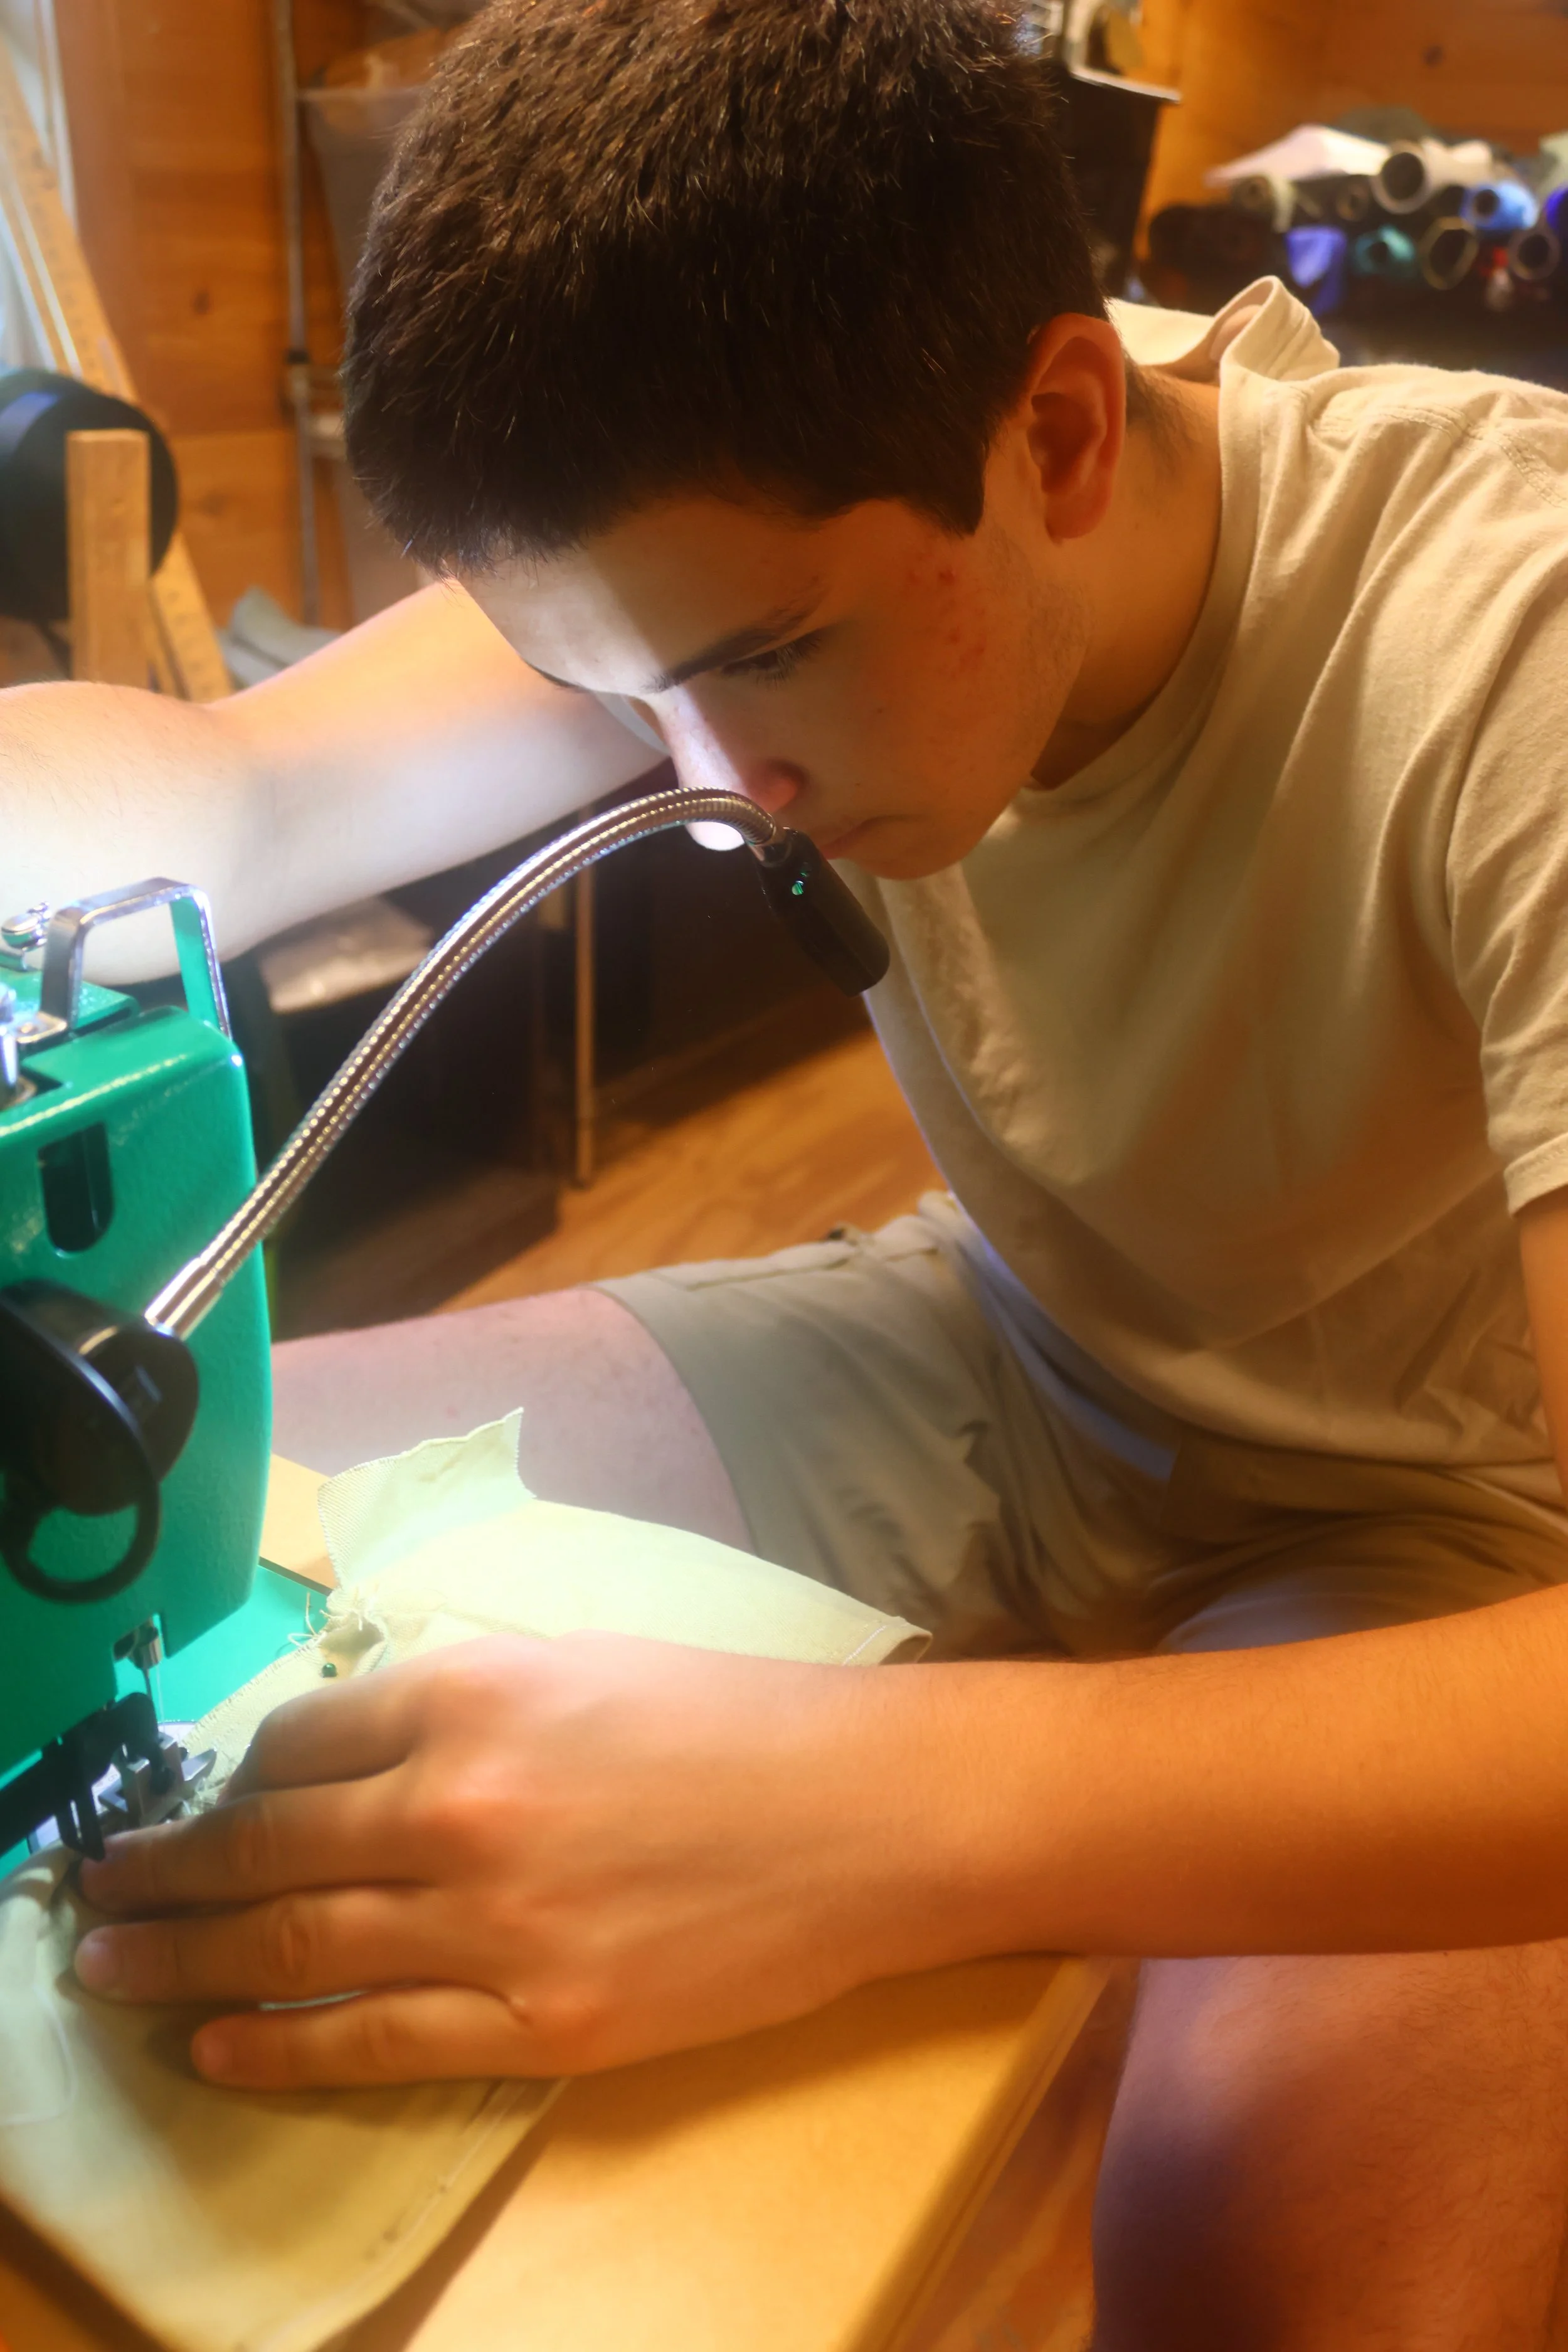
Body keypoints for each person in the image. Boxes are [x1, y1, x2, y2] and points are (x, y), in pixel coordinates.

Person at [11, 3, 1568, 2341]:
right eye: (613, 688)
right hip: (1006, 1352)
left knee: (1272, 2269)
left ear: (1052, 433)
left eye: (759, 664)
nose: (711, 780)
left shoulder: (1500, 639)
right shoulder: (729, 508)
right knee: (145, 1536)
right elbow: (229, 789)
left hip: (1456, 1532)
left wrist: (879, 1816)